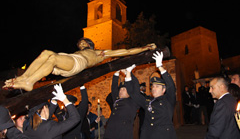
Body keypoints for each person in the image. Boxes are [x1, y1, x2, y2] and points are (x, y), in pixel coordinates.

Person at [3, 38, 156, 91]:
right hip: (68, 60)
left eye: (84, 42)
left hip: (78, 64)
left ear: (90, 44)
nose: (81, 44)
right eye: (80, 43)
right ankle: (24, 78)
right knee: (45, 53)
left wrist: (146, 47)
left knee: (53, 58)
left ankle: (29, 82)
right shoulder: (77, 52)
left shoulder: (99, 53)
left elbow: (126, 51)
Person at [127, 51, 177, 139]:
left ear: (164, 90)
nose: (153, 88)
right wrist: (128, 73)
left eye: (157, 86)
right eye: (153, 86)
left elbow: (171, 86)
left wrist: (160, 66)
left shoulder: (168, 100)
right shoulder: (148, 101)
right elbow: (133, 94)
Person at [103, 64, 139, 139]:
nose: (121, 91)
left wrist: (129, 73)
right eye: (120, 89)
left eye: (124, 89)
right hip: (110, 132)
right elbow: (114, 87)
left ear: (129, 92)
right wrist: (116, 73)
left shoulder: (133, 101)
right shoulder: (117, 99)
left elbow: (136, 87)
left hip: (123, 133)